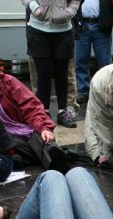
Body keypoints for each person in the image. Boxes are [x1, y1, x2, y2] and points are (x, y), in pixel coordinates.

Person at [0, 49, 70, 173]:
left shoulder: (8, 81)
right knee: (12, 144)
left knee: (41, 137)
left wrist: (43, 128)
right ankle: (51, 156)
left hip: (23, 129)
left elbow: (30, 106)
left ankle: (46, 154)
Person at [23, 0, 80, 128]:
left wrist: (69, 12)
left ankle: (63, 112)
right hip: (37, 29)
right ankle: (44, 112)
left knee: (62, 74)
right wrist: (34, 7)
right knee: (43, 74)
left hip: (64, 30)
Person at [74, 0, 113, 105]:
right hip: (82, 26)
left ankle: (106, 90)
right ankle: (83, 91)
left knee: (105, 62)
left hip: (101, 26)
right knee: (80, 61)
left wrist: (109, 20)